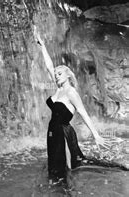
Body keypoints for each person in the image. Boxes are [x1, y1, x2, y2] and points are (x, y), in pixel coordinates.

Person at [35, 30, 120, 184]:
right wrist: (43, 46)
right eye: (55, 74)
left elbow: (83, 112)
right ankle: (56, 187)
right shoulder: (58, 88)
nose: (55, 75)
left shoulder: (71, 92)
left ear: (68, 75)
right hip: (52, 130)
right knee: (54, 165)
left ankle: (69, 191)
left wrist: (96, 135)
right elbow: (49, 66)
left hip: (63, 132)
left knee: (67, 169)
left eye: (59, 73)